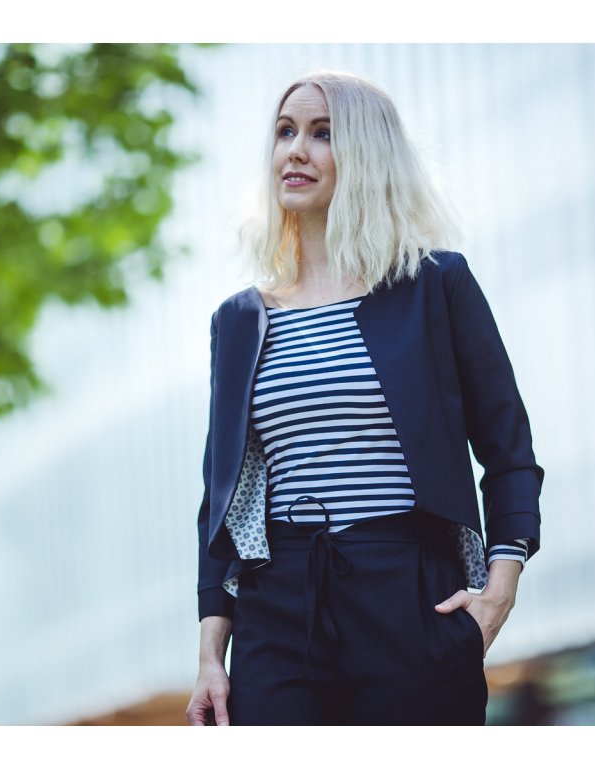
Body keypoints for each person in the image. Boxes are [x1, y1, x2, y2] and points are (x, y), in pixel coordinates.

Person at [186, 71, 544, 726]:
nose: (296, 150)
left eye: (322, 134)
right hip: (278, 602)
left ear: (367, 153)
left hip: (407, 589)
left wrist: (500, 589)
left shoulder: (435, 285)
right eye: (285, 132)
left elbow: (508, 448)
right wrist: (212, 655)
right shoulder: (238, 321)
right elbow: (220, 498)